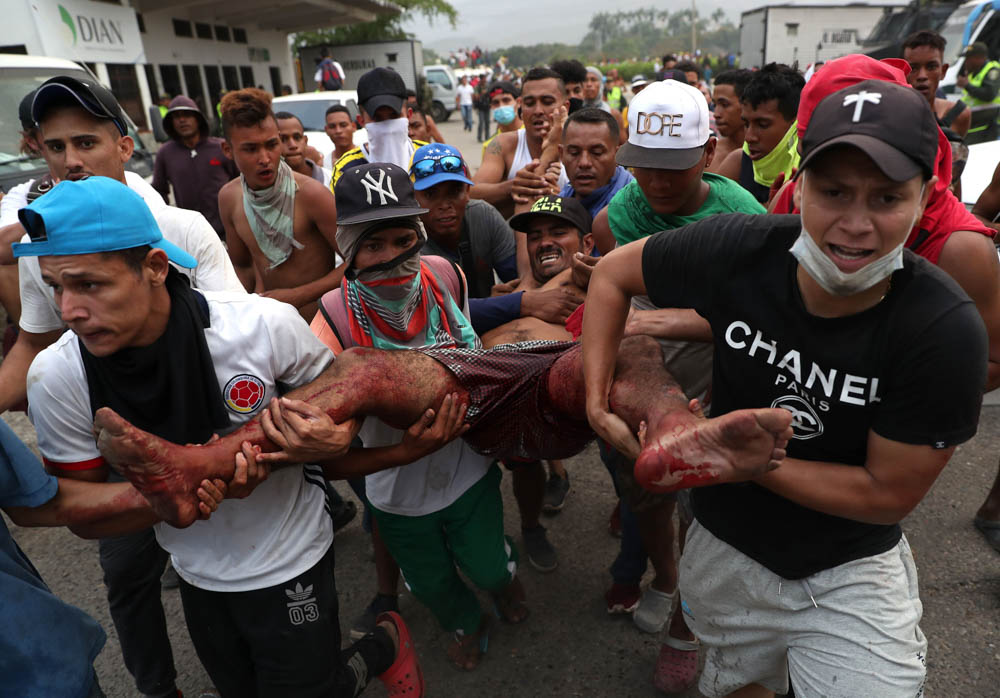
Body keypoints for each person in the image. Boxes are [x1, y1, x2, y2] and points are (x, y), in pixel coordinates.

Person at [582, 78, 987, 698]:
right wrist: (594, 395)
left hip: (849, 567)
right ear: (798, 186)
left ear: (926, 194)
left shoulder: (941, 327)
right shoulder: (741, 250)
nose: (855, 225)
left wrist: (742, 462)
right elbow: (612, 273)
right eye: (832, 192)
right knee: (740, 685)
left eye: (885, 197)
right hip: (724, 547)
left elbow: (885, 495)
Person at [15, 175, 426, 698]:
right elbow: (73, 508)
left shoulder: (262, 328)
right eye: (55, 286)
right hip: (197, 572)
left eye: (88, 284)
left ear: (155, 268)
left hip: (291, 554)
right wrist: (168, 497)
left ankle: (383, 646)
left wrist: (333, 439)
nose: (67, 310)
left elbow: (347, 405)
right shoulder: (57, 376)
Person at [313, 162, 528, 669]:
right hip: (396, 487)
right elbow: (330, 446)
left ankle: (503, 584)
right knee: (430, 580)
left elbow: (469, 361)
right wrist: (407, 450)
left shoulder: (445, 275)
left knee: (490, 565)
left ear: (419, 235)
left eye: (401, 238)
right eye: (373, 245)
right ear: (349, 251)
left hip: (466, 468)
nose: (391, 257)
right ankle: (466, 622)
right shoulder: (332, 319)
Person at [590, 78, 767, 693]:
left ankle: (686, 618)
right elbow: (613, 305)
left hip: (719, 366)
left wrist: (660, 320)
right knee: (644, 491)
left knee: (702, 499)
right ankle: (665, 576)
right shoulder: (618, 215)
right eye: (645, 168)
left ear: (710, 149)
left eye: (675, 168)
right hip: (641, 367)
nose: (658, 183)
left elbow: (761, 319)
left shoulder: (745, 220)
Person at [218, 89, 343, 322]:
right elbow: (242, 267)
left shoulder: (311, 194)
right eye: (251, 149)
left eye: (271, 144)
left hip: (324, 327)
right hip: (272, 326)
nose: (265, 158)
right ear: (228, 150)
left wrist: (298, 295)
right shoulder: (229, 198)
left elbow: (360, 262)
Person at [472, 67, 570, 218]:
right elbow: (472, 193)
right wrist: (513, 186)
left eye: (547, 101)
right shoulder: (504, 144)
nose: (538, 110)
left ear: (565, 107)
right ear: (520, 106)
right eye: (530, 103)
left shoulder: (580, 144)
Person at [715, 63, 805, 204]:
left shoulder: (811, 171)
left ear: (794, 123)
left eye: (762, 125)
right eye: (746, 124)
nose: (749, 137)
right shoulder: (737, 163)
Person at [152, 95, 239, 238]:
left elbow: (241, 185)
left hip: (229, 232)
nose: (182, 120)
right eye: (176, 117)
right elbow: (159, 193)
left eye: (187, 115)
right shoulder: (165, 153)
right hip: (191, 236)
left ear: (198, 119)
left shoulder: (221, 147)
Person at [331, 68, 428, 187]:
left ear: (408, 115)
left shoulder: (430, 157)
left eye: (394, 115)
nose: (387, 126)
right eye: (377, 118)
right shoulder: (346, 169)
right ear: (361, 121)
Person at [558, 108, 634, 220]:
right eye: (574, 153)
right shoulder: (564, 196)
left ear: (617, 155)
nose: (584, 163)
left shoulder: (634, 208)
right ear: (561, 154)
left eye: (596, 153)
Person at [903, 31, 971, 138]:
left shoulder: (959, 115)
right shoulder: (891, 116)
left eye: (931, 67)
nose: (922, 76)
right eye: (913, 68)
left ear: (943, 71)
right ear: (903, 72)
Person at [709, 69, 753, 172]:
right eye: (714, 105)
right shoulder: (710, 155)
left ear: (747, 105)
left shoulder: (769, 155)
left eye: (725, 105)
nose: (716, 114)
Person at [275, 111, 332, 188]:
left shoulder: (331, 180)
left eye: (297, 137)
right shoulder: (262, 187)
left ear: (305, 141)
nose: (293, 145)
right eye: (283, 139)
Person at [957, 41, 1000, 136]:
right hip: (974, 127)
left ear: (980, 58)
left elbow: (989, 94)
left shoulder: (993, 70)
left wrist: (967, 85)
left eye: (969, 58)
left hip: (988, 127)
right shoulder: (974, 73)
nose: (966, 61)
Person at [480, 80, 522, 157]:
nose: (501, 106)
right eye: (496, 103)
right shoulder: (489, 146)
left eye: (506, 100)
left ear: (519, 102)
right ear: (491, 107)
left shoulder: (533, 134)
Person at [323, 104, 358, 169]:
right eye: (332, 126)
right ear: (326, 130)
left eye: (343, 125)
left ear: (353, 126)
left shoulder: (367, 156)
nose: (338, 131)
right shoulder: (324, 164)